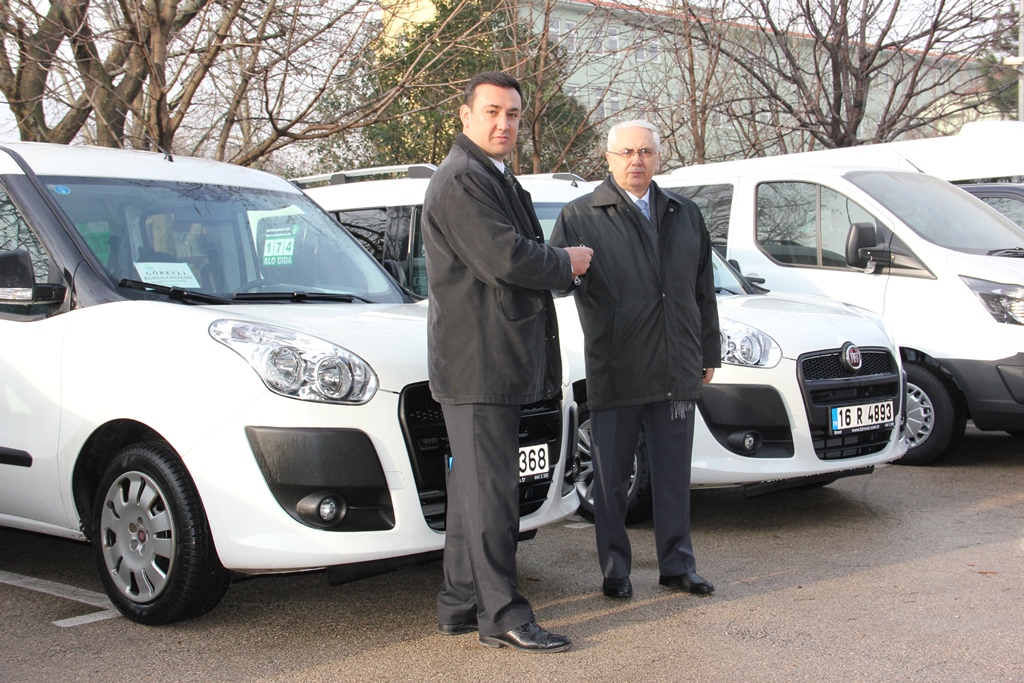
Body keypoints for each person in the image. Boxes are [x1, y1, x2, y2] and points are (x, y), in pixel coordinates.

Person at [421, 71, 593, 653]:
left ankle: (460, 604)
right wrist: (565, 261)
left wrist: (559, 266)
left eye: (513, 114)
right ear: (465, 115)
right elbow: (507, 259)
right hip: (480, 366)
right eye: (492, 111)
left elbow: (518, 257)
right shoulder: (462, 179)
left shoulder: (493, 176)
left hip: (490, 361)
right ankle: (502, 616)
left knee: (474, 492)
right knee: (491, 495)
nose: (503, 124)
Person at [550, 120, 720, 600]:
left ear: (658, 158)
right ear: (608, 158)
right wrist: (565, 267)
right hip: (617, 367)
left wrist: (709, 349)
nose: (636, 160)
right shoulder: (581, 215)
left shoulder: (684, 213)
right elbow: (558, 280)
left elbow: (702, 289)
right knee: (611, 480)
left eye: (645, 151)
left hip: (675, 367)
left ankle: (677, 566)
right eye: (626, 152)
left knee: (673, 476)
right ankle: (615, 571)